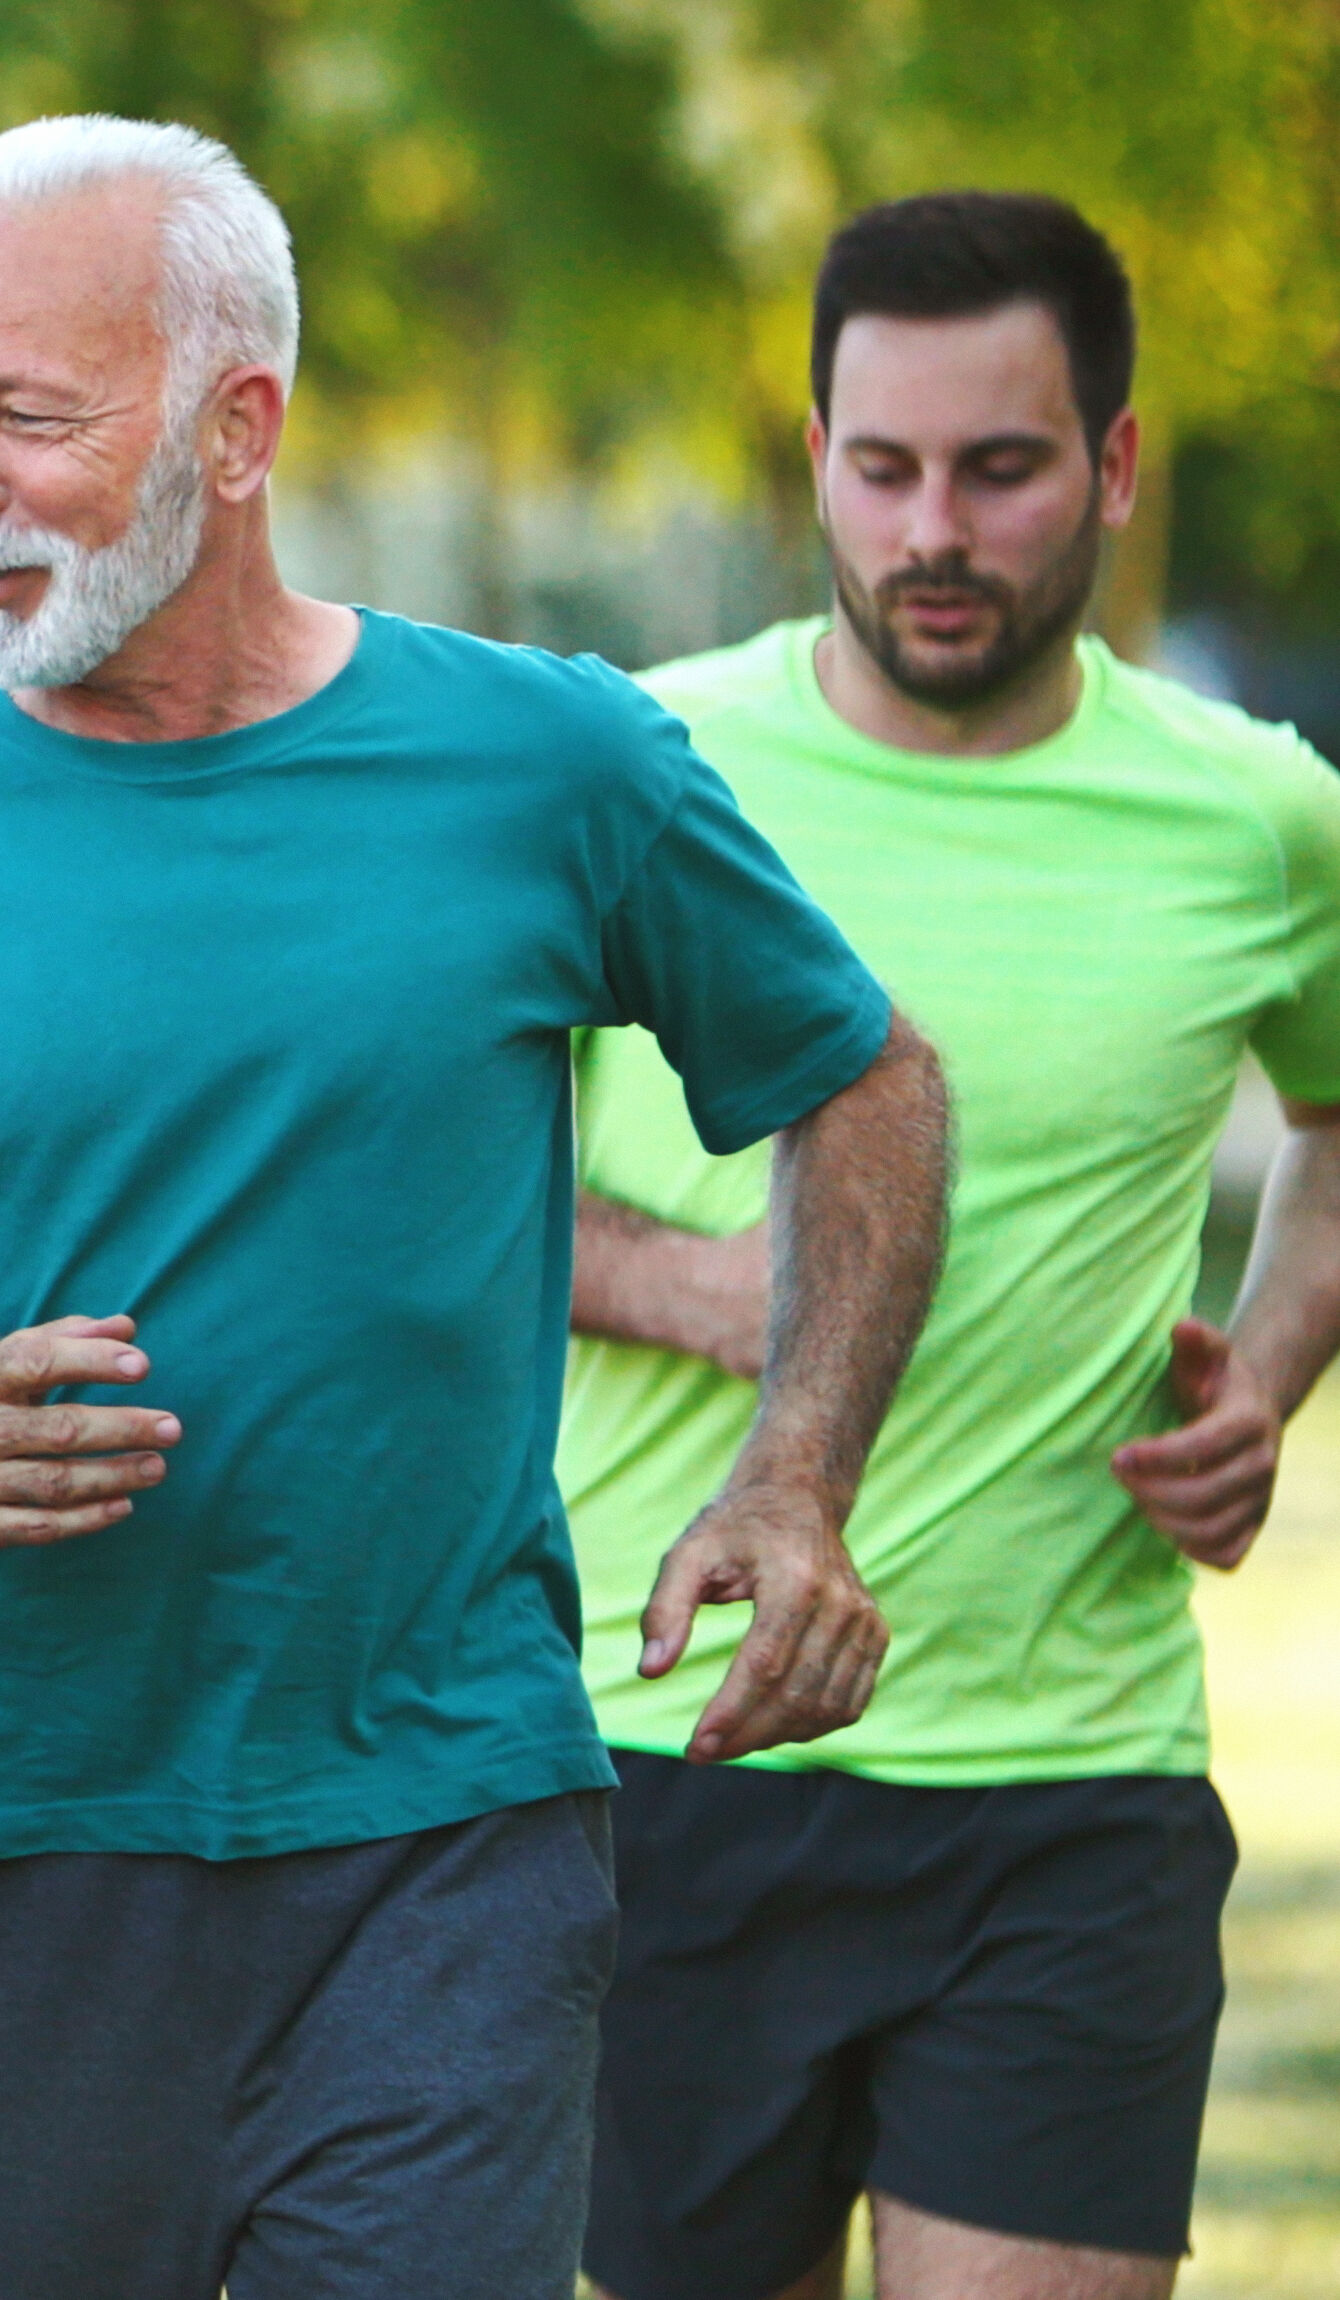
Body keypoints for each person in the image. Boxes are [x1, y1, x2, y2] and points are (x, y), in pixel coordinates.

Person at [0, 115, 958, 2299]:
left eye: (30, 416)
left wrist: (796, 1477)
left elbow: (863, 1079)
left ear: (236, 429)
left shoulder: (546, 764)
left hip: (443, 1841)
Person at [565, 191, 1340, 2300]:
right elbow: (427, 1172)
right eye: (882, 466)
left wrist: (1267, 1376)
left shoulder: (1254, 817)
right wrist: (695, 1288)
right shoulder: (635, 770)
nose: (931, 531)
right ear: (813, 454)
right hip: (661, 1748)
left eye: (998, 470)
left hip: (1068, 1780)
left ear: (1113, 464)